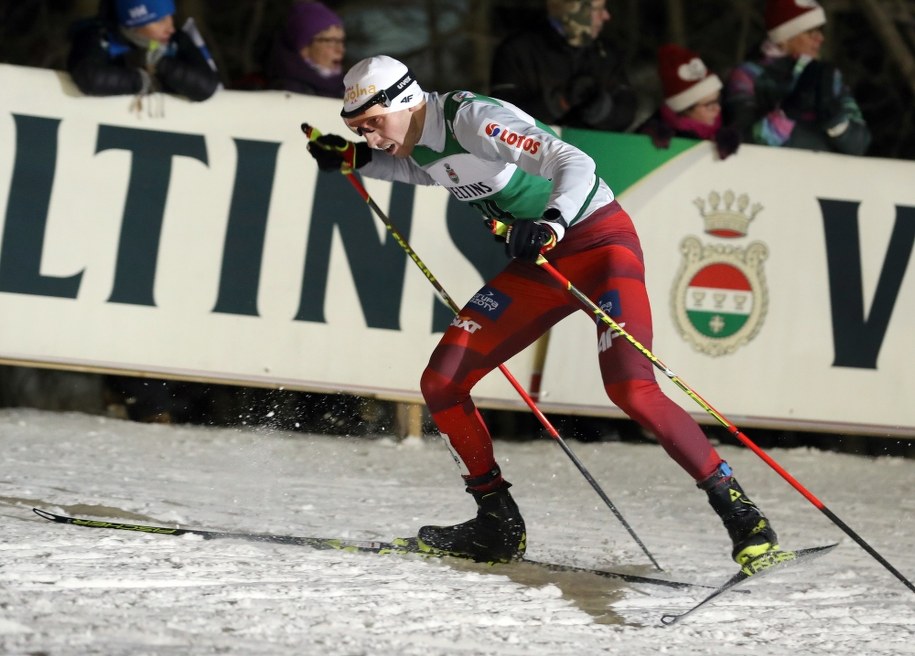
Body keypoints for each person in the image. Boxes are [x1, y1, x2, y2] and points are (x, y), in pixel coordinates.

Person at [304, 55, 780, 566]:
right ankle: (497, 523)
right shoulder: (414, 133)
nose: (370, 136)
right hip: (542, 266)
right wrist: (355, 158)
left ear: (404, 100)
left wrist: (552, 221)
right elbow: (426, 169)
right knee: (442, 382)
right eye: (358, 129)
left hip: (599, 245)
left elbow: (574, 162)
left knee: (631, 387)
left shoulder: (472, 119)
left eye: (373, 124)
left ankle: (742, 515)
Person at [723, 0, 870, 155]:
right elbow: (743, 142)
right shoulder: (748, 74)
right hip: (774, 168)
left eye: (819, 31)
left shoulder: (827, 75)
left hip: (824, 169)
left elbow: (859, 145)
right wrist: (788, 112)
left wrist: (835, 122)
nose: (820, 38)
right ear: (784, 38)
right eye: (810, 32)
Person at [489, 0, 637, 132]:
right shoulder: (519, 50)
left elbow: (627, 109)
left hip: (594, 149)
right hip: (534, 148)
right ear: (572, 9)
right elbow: (501, 117)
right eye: (597, 9)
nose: (606, 16)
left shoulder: (605, 54)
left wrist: (602, 110)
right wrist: (557, 103)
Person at [67, 0, 219, 106]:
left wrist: (161, 64)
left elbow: (206, 87)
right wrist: (141, 80)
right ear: (135, 21)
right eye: (160, 21)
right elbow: (89, 78)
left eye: (170, 17)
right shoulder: (98, 37)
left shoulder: (177, 41)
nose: (170, 28)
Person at [638, 43, 740, 160]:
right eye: (709, 105)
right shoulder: (659, 130)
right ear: (686, 109)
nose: (718, 108)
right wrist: (646, 141)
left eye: (718, 100)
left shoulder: (730, 121)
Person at [264, 1, 346, 97]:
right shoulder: (287, 92)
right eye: (330, 41)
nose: (340, 50)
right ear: (304, 47)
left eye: (341, 41)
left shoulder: (349, 88)